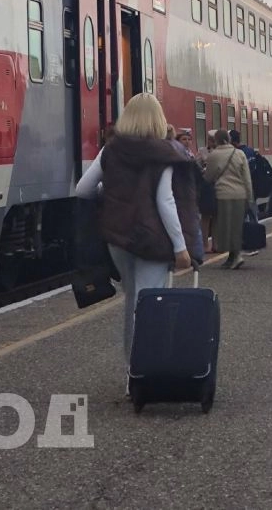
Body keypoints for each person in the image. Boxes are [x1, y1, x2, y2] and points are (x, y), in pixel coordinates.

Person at [72, 94, 200, 393]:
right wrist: (181, 247)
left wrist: (113, 195)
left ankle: (132, 372)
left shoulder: (111, 150)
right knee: (149, 305)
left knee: (132, 301)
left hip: (119, 240)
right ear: (157, 118)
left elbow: (82, 190)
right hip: (153, 242)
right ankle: (147, 372)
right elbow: (165, 201)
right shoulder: (165, 152)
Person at [204, 128, 254, 269]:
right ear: (229, 139)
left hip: (223, 195)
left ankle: (234, 256)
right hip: (240, 194)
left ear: (216, 140)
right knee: (237, 226)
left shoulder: (213, 155)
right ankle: (234, 256)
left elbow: (209, 177)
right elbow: (247, 178)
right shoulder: (240, 153)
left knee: (226, 227)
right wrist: (249, 197)